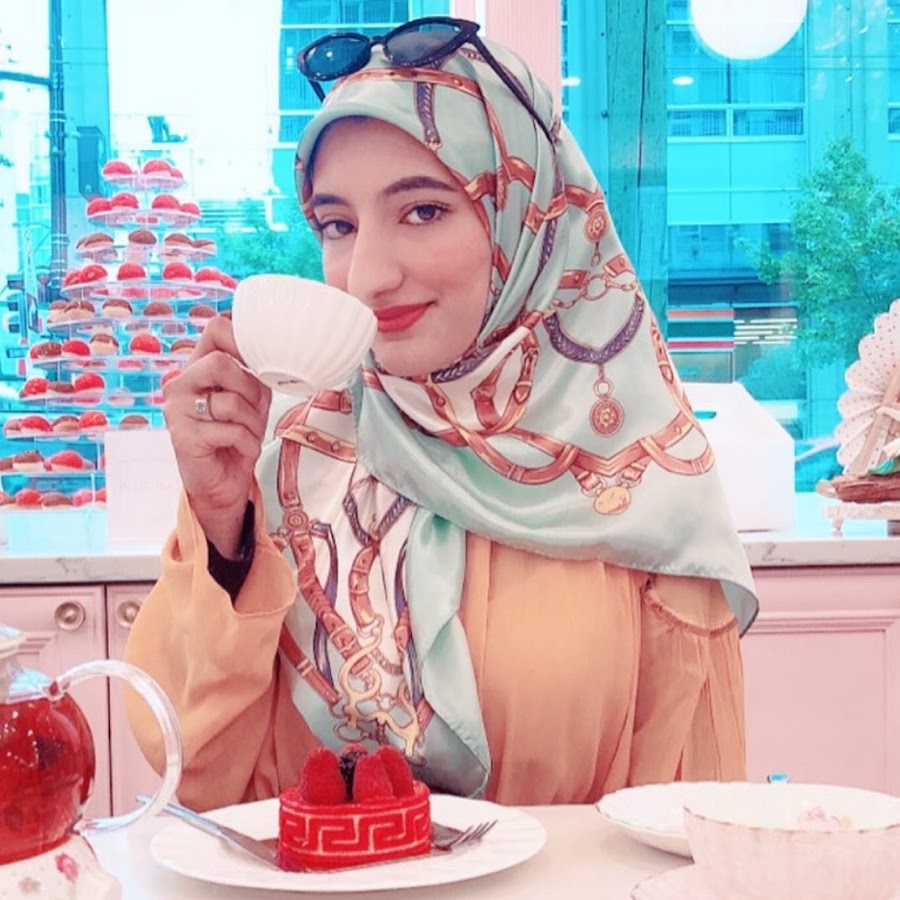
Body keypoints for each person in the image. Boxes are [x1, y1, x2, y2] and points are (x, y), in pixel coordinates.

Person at [125, 17, 758, 812]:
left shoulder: (642, 483)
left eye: (423, 211)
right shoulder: (288, 463)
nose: (367, 276)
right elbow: (199, 783)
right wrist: (223, 535)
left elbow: (687, 825)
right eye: (337, 224)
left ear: (527, 217)